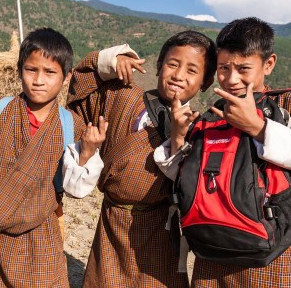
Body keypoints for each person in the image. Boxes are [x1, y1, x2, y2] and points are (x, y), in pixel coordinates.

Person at [162, 17, 291, 287]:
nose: (231, 79)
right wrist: (177, 136)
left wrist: (257, 127)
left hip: (270, 251)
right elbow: (185, 175)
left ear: (268, 64)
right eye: (223, 68)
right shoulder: (214, 112)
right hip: (212, 246)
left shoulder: (287, 102)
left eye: (243, 68)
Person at [0, 27, 107, 287]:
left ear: (67, 77)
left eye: (50, 72)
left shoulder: (71, 125)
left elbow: (74, 189)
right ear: (19, 70)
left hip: (42, 232)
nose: (39, 80)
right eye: (31, 69)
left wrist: (88, 152)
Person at [66, 30, 218, 287]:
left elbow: (192, 190)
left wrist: (180, 139)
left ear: (205, 82)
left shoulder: (201, 129)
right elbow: (80, 85)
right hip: (112, 223)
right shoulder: (123, 96)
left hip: (161, 229)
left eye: (192, 70)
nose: (179, 75)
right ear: (159, 67)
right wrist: (112, 60)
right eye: (172, 64)